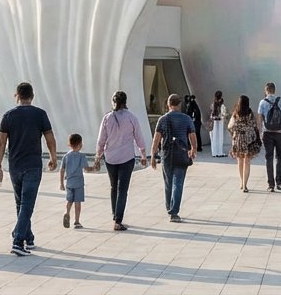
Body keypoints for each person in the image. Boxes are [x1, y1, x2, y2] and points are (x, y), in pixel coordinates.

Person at [0, 81, 58, 256]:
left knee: (20, 203)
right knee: (27, 204)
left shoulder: (8, 116)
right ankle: (17, 241)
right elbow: (49, 138)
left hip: (15, 165)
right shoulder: (40, 114)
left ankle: (27, 237)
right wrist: (53, 157)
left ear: (17, 96)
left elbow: (1, 143)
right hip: (33, 165)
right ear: (32, 96)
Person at [94, 90, 148, 231]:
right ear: (125, 102)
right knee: (122, 189)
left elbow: (101, 140)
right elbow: (139, 137)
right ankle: (118, 220)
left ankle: (115, 215)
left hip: (110, 158)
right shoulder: (131, 118)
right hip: (126, 157)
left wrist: (98, 156)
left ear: (113, 102)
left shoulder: (107, 118)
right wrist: (143, 155)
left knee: (113, 187)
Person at [150, 93, 198, 222]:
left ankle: (169, 208)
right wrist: (193, 149)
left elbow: (156, 138)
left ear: (168, 104)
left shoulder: (163, 119)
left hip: (167, 155)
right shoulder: (186, 119)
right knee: (178, 183)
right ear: (180, 104)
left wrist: (153, 155)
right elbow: (192, 135)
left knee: (168, 183)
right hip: (182, 154)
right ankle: (174, 212)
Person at [257, 82, 281, 191]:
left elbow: (259, 118)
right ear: (274, 90)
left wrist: (258, 132)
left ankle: (270, 185)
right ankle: (279, 183)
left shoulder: (262, 102)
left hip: (267, 133)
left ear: (266, 90)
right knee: (280, 157)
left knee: (269, 158)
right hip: (280, 133)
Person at [228, 94, 262, 191]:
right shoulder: (250, 114)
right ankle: (244, 185)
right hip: (249, 140)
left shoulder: (235, 113)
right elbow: (254, 126)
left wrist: (235, 133)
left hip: (238, 139)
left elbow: (230, 127)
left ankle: (242, 182)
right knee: (247, 162)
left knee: (240, 161)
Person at [59, 134, 88, 229]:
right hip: (79, 183)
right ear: (80, 144)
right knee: (77, 203)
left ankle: (67, 213)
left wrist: (61, 183)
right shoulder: (81, 156)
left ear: (70, 144)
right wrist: (95, 167)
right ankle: (76, 221)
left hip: (69, 183)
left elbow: (62, 170)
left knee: (69, 201)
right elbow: (86, 169)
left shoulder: (66, 156)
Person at [208, 91, 229, 157]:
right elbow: (224, 114)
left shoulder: (213, 104)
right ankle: (219, 152)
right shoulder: (222, 105)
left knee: (213, 137)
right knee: (219, 137)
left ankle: (214, 152)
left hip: (214, 122)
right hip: (220, 122)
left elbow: (211, 114)